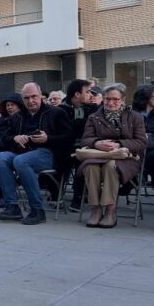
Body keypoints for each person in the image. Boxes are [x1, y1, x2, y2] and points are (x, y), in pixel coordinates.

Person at [0, 82, 73, 225]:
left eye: (34, 97)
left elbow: (69, 138)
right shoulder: (17, 116)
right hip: (22, 152)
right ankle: (12, 206)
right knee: (1, 158)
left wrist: (48, 138)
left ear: (41, 96)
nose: (30, 101)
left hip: (49, 153)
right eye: (26, 98)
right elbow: (4, 138)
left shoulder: (57, 112)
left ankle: (37, 209)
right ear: (22, 100)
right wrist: (15, 138)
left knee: (21, 161)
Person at [79, 83, 147, 228]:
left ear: (122, 100)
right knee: (90, 167)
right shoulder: (94, 117)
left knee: (111, 166)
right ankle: (96, 209)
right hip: (97, 156)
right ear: (103, 99)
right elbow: (85, 139)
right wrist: (96, 143)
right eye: (107, 99)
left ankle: (110, 211)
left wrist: (119, 144)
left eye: (115, 99)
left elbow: (141, 142)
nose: (110, 102)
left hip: (126, 158)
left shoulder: (134, 117)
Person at [57, 79, 98, 210]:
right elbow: (63, 132)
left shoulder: (95, 109)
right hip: (65, 147)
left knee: (83, 161)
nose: (91, 95)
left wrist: (75, 125)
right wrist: (81, 124)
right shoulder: (60, 110)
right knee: (56, 159)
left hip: (87, 147)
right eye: (87, 92)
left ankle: (78, 198)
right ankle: (55, 195)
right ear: (77, 94)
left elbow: (92, 129)